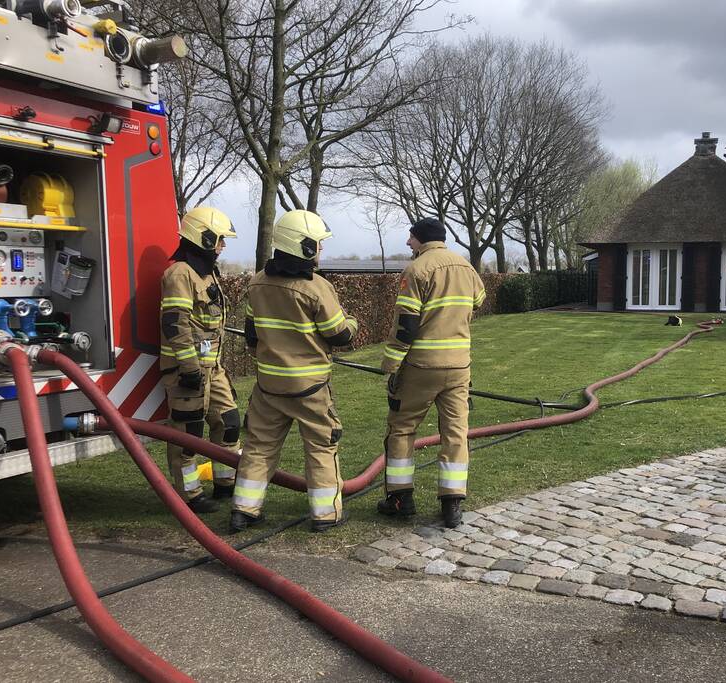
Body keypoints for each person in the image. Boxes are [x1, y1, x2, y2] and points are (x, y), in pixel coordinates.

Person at [230, 210, 358, 533]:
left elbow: (251, 335)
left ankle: (243, 510)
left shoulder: (257, 283)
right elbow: (339, 334)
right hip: (310, 388)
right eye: (317, 244)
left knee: (259, 445)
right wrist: (352, 322)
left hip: (268, 387)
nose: (320, 251)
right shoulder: (317, 288)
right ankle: (325, 515)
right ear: (304, 247)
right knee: (321, 445)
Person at [376, 218, 486, 528]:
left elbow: (406, 324)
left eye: (410, 238)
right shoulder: (466, 267)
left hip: (421, 366)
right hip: (459, 366)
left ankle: (400, 499)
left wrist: (391, 364)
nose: (408, 244)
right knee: (455, 433)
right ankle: (452, 504)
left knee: (401, 427)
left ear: (421, 239)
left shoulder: (416, 270)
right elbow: (478, 300)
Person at [160, 206, 241, 513]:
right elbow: (175, 324)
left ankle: (225, 483)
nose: (223, 246)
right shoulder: (180, 274)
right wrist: (189, 367)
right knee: (188, 434)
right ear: (203, 238)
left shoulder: (206, 271)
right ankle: (189, 495)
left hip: (213, 367)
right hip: (187, 371)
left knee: (229, 422)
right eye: (220, 240)